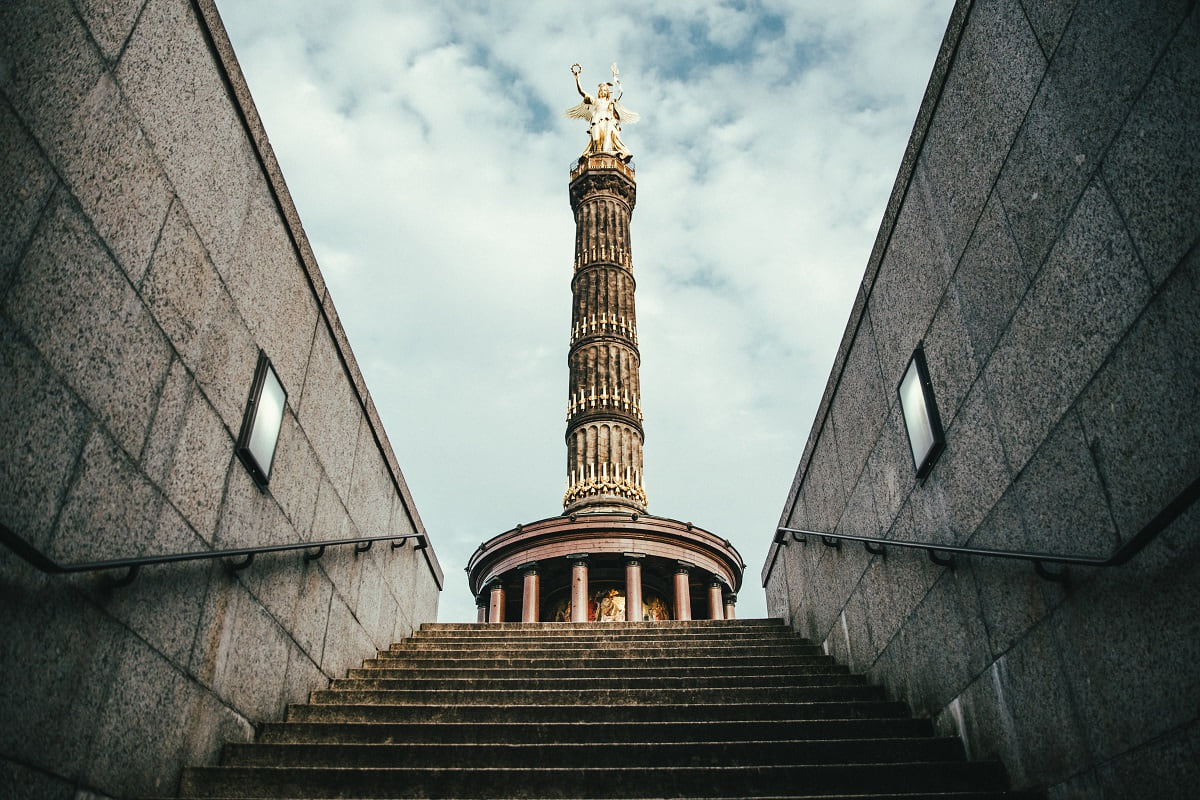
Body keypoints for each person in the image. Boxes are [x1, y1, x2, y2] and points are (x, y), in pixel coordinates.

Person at [565, 63, 639, 162]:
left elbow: (617, 116)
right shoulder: (595, 101)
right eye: (601, 90)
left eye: (605, 90)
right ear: (599, 92)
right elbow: (582, 92)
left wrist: (614, 106)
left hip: (608, 121)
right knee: (596, 140)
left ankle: (607, 157)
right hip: (597, 120)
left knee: (607, 140)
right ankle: (597, 156)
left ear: (607, 92)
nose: (603, 91)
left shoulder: (610, 103)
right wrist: (577, 78)